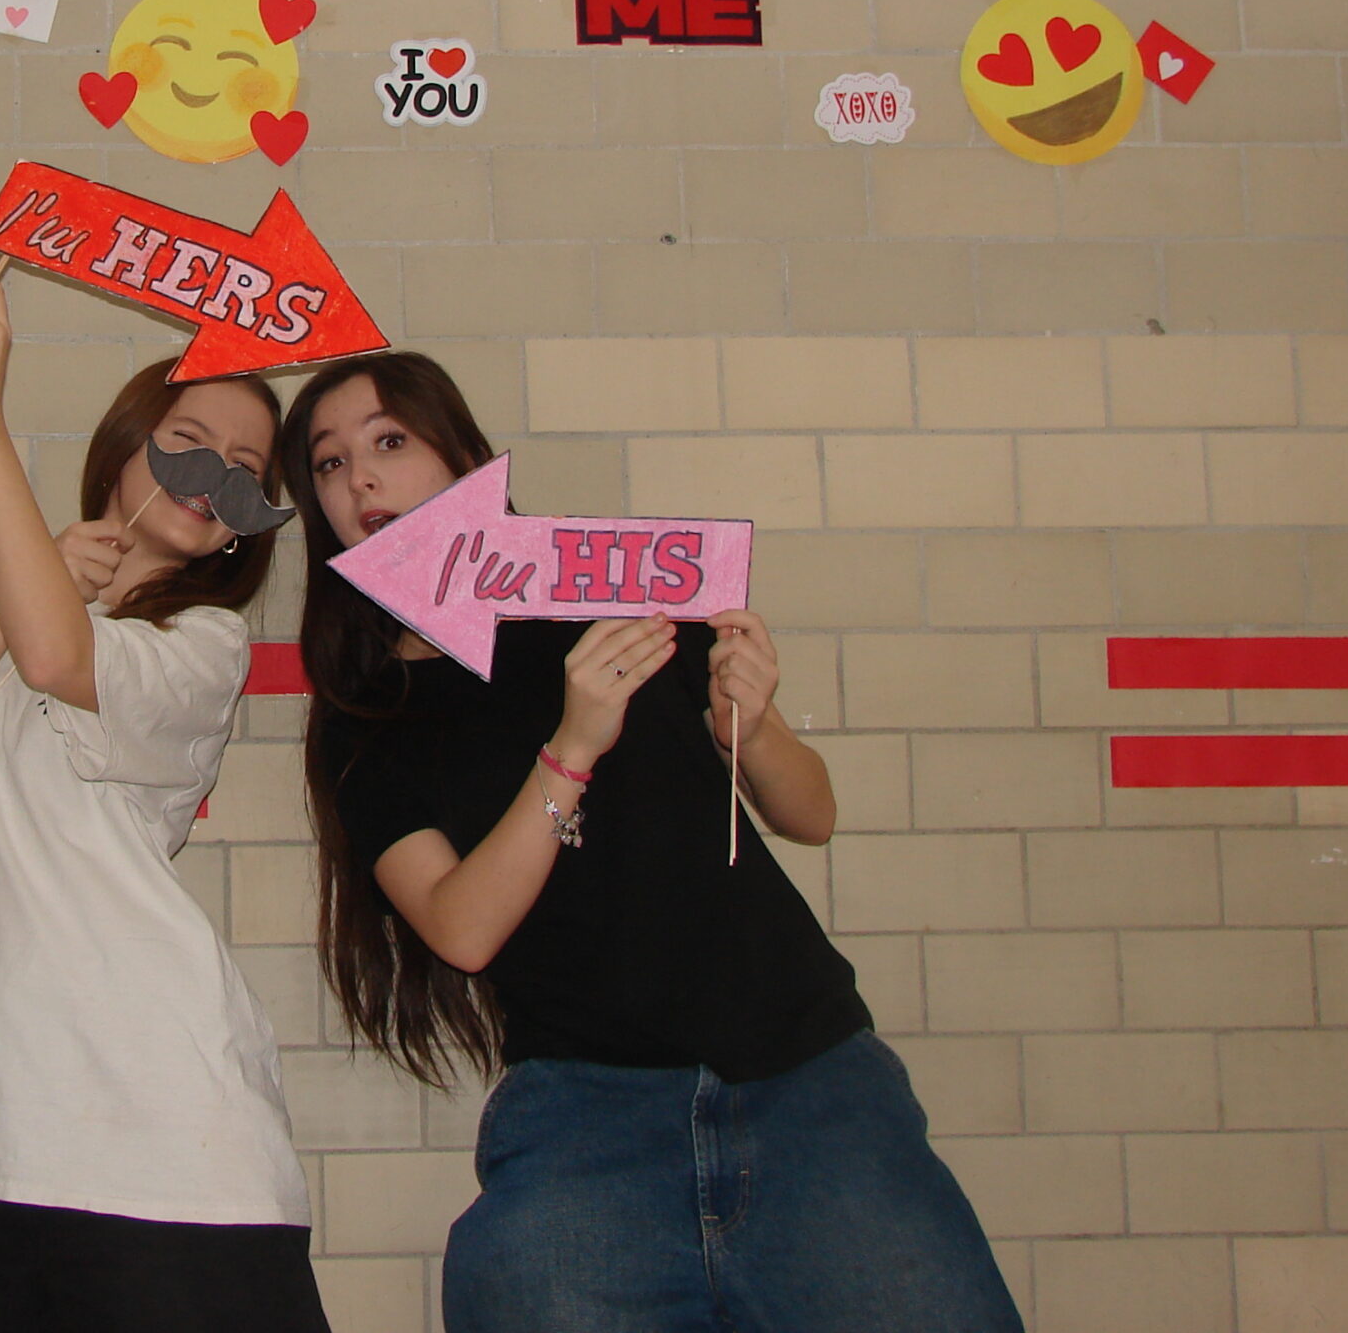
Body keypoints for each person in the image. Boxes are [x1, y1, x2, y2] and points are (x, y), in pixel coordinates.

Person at [277, 351, 1020, 1333]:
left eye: (389, 441)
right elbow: (461, 928)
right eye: (329, 463)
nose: (361, 479)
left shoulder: (614, 587)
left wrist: (752, 720)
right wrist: (571, 748)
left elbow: (812, 812)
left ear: (462, 457)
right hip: (582, 1114)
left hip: (810, 1077)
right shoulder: (370, 712)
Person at [0, 268, 329, 1333]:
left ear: (244, 526)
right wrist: (32, 580)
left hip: (169, 1145)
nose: (213, 473)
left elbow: (58, 658)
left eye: (245, 470)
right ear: (125, 446)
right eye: (188, 439)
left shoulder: (204, 645)